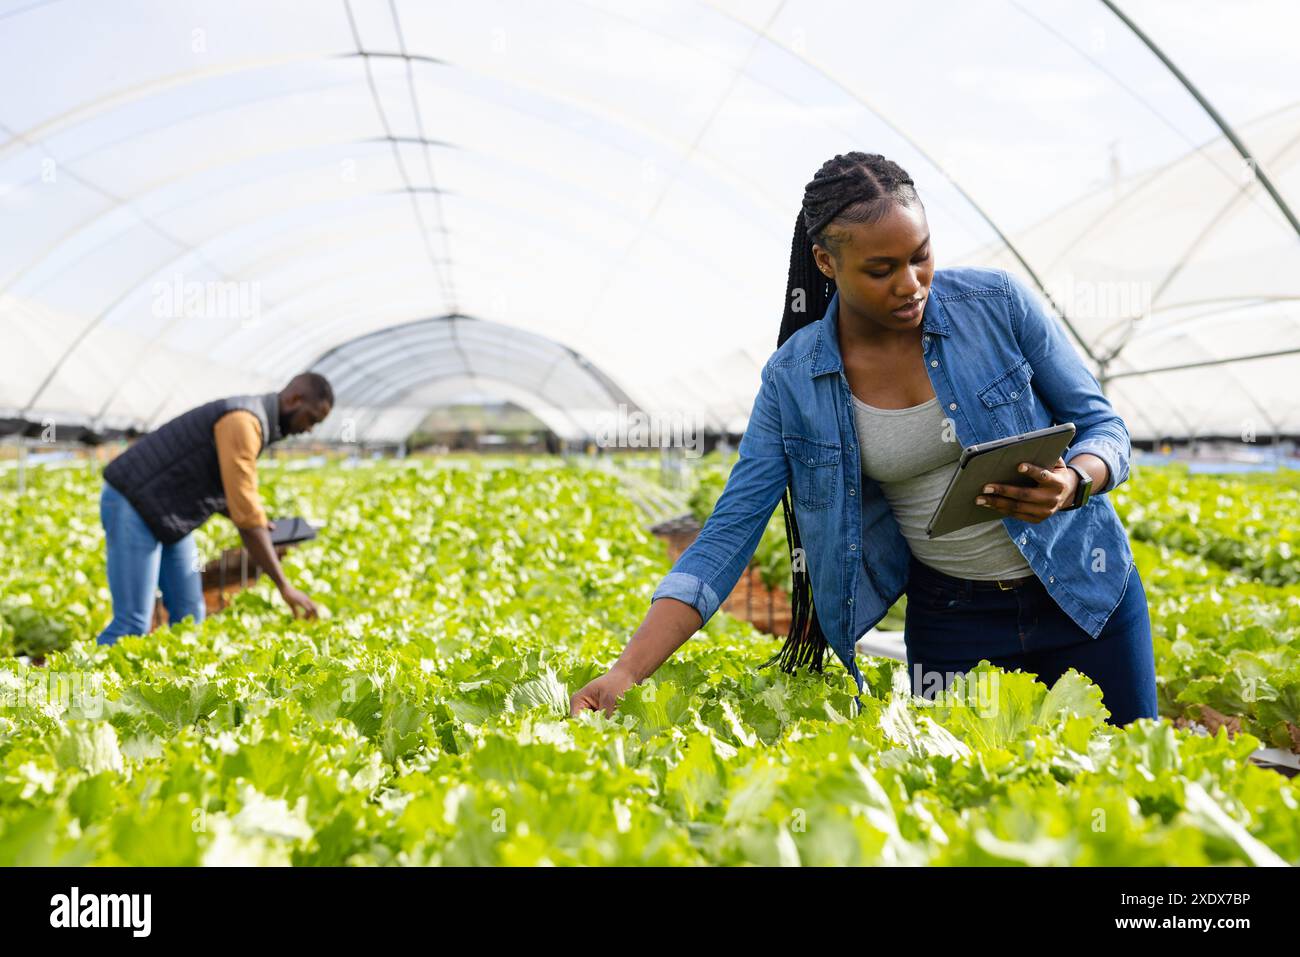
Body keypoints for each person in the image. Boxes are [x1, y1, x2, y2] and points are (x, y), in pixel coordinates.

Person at [572, 151, 1157, 727]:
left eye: (920, 257)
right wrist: (627, 671)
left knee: (1130, 790)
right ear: (827, 263)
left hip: (1085, 591)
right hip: (955, 622)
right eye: (881, 270)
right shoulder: (793, 380)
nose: (911, 285)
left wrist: (1076, 480)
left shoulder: (996, 305)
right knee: (981, 809)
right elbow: (728, 534)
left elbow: (1105, 427)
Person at [95, 373, 334, 644]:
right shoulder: (244, 422)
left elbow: (229, 491)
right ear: (294, 399)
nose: (309, 429)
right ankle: (81, 684)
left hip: (170, 512)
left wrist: (255, 520)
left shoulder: (256, 422)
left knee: (190, 615)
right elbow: (246, 519)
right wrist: (284, 586)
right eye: (311, 419)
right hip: (132, 502)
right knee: (133, 624)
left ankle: (179, 684)